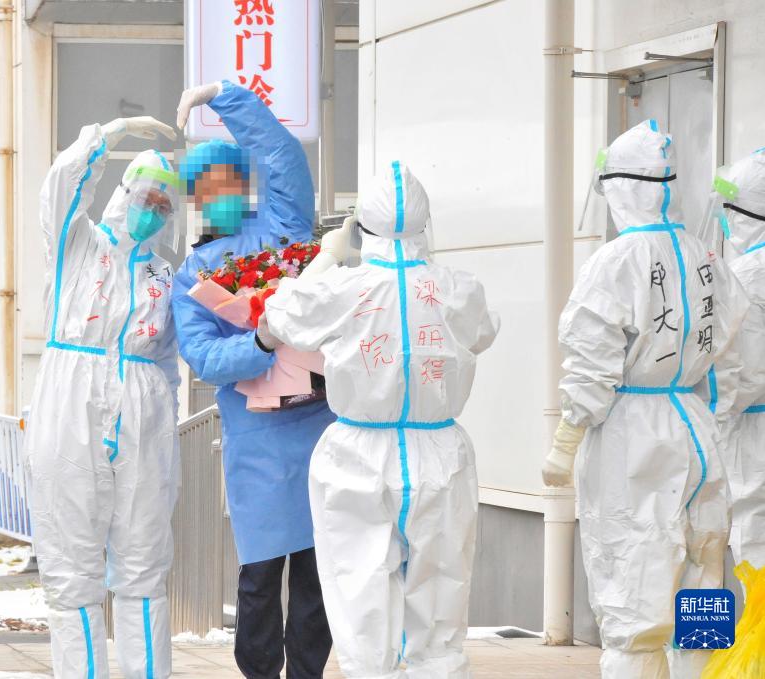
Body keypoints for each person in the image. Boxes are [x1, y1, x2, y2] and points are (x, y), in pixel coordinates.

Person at [258, 162, 499, 679]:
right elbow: (484, 331)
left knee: (360, 592)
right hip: (439, 452)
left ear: (362, 228)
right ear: (426, 225)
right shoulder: (458, 288)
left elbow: (278, 315)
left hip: (358, 453)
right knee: (441, 594)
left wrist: (327, 257)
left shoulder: (344, 288)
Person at [542, 119, 748, 678]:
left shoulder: (616, 261)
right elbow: (729, 348)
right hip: (695, 427)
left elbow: (591, 357)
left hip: (633, 434)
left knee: (632, 583)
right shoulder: (706, 257)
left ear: (621, 188)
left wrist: (567, 438)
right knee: (703, 575)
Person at [171, 81, 335, 678]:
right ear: (195, 197)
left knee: (318, 570)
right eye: (204, 186)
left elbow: (282, 155)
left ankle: (309, 673)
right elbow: (203, 357)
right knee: (261, 572)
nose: (216, 194)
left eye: (226, 181)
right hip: (257, 438)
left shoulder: (286, 228)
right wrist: (260, 342)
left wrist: (227, 97)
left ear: (244, 185)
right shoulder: (194, 272)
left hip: (319, 423)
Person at [24, 115, 182, 679]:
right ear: (124, 190)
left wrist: (166, 417)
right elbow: (61, 185)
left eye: (164, 204)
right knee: (72, 568)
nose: (152, 209)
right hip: (70, 403)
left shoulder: (163, 276)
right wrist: (109, 134)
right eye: (145, 196)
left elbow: (168, 358)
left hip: (143, 413)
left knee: (144, 565)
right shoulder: (79, 245)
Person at [711, 149, 765, 569]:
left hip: (754, 432)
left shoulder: (746, 276)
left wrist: (711, 412)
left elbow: (746, 374)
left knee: (754, 534)